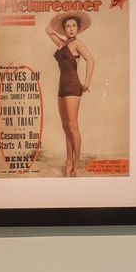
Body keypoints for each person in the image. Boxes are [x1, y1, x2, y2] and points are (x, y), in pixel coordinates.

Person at [45, 12, 95, 176]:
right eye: (67, 26)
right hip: (61, 88)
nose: (71, 28)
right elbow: (47, 29)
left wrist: (86, 83)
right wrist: (60, 18)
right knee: (66, 127)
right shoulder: (61, 43)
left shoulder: (77, 43)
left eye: (74, 25)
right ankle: (68, 162)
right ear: (64, 29)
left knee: (73, 127)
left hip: (73, 86)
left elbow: (91, 60)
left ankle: (77, 164)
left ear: (78, 28)